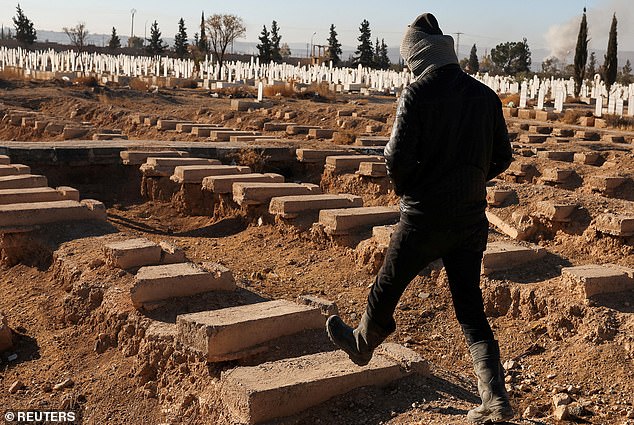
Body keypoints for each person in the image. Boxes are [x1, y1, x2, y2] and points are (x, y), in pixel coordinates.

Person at [326, 12, 514, 424]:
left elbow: (394, 159)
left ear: (414, 55)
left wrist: (413, 187)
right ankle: (495, 400)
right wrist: (472, 179)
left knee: (387, 284)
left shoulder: (416, 94)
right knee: (470, 310)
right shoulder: (485, 96)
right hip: (469, 220)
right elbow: (503, 155)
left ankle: (361, 343)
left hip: (424, 217)